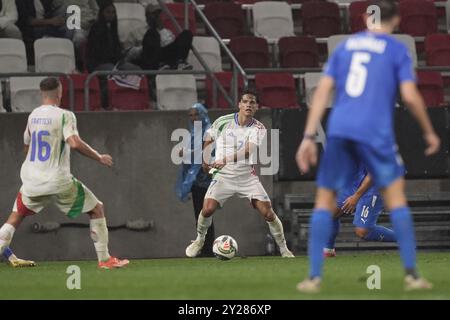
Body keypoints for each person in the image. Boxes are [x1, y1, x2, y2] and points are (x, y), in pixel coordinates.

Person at [295, 0, 440, 292]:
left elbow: (322, 91)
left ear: (364, 18)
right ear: (397, 20)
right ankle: (412, 275)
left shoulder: (345, 48)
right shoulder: (396, 49)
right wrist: (428, 131)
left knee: (324, 203)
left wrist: (308, 136)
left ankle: (313, 278)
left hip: (341, 130)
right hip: (375, 132)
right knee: (397, 199)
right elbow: (410, 96)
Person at [0, 77, 129, 269]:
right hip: (57, 180)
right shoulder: (65, 116)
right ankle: (105, 260)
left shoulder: (33, 116)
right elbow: (74, 142)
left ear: (41, 93)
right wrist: (99, 157)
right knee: (96, 209)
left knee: (16, 216)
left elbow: (27, 146)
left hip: (32, 179)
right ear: (60, 92)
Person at [185, 91, 295, 259]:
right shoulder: (223, 121)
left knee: (268, 213)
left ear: (257, 107)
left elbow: (248, 151)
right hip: (223, 177)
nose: (248, 105)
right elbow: (209, 137)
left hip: (246, 177)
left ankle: (284, 248)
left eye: (252, 102)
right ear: (239, 104)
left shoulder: (259, 128)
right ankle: (199, 240)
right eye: (245, 102)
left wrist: (225, 159)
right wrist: (206, 160)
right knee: (207, 210)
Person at [324, 163, 396, 258]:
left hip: (375, 181)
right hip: (356, 179)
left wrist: (356, 197)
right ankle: (328, 251)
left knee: (363, 231)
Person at [176, 104, 215, 257]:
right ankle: (203, 246)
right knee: (199, 215)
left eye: (196, 115)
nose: (193, 118)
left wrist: (187, 152)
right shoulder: (193, 133)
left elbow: (207, 151)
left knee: (206, 213)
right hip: (196, 181)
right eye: (191, 115)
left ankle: (207, 248)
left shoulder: (209, 131)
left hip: (206, 178)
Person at [139, 4, 193, 70]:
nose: (157, 16)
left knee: (187, 33)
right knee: (152, 33)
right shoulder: (138, 31)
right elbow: (131, 52)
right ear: (147, 16)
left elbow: (172, 44)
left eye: (158, 14)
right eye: (154, 14)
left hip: (167, 54)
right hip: (150, 58)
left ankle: (180, 63)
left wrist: (162, 30)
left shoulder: (167, 31)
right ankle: (160, 64)